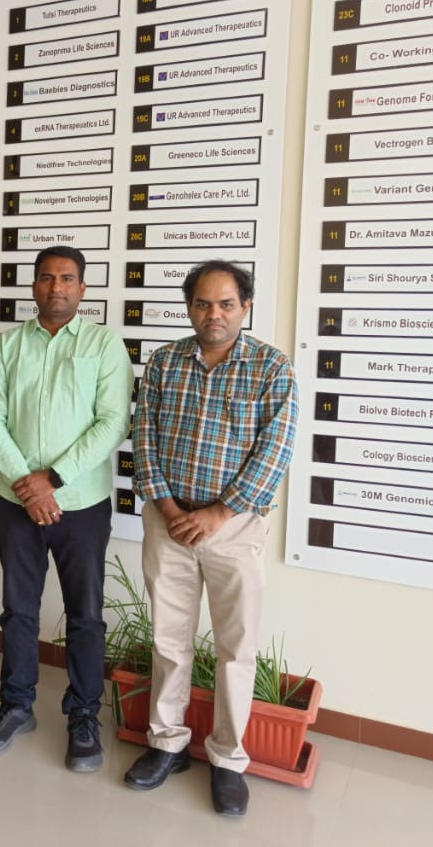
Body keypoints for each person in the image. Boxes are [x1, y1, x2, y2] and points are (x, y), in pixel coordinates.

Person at [125, 260, 297, 817]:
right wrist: (171, 509)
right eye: (202, 303)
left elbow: (275, 452)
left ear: (245, 306)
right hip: (168, 520)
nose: (213, 314)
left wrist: (219, 513)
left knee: (235, 647)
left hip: (236, 525)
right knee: (168, 640)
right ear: (189, 307)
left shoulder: (272, 367)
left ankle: (227, 759)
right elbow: (143, 437)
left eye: (225, 304)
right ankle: (167, 743)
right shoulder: (164, 361)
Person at [0, 245, 133, 771]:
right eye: (46, 278)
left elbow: (112, 422)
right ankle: (16, 704)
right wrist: (29, 486)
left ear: (82, 288)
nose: (56, 287)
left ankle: (83, 713)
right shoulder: (9, 345)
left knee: (85, 614)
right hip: (17, 502)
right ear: (34, 286)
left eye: (67, 278)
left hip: (81, 504)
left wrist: (53, 479)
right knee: (18, 609)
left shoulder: (104, 345)